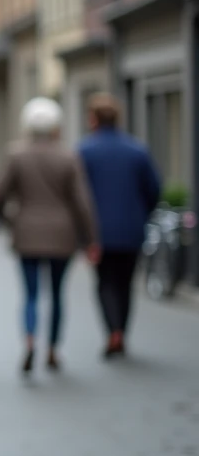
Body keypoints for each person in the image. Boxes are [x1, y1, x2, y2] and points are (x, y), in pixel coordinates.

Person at [0, 97, 98, 374]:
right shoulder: (68, 156)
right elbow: (82, 201)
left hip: (27, 232)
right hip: (62, 235)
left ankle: (29, 340)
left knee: (30, 294)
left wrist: (10, 221)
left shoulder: (16, 154)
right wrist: (91, 238)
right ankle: (52, 348)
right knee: (57, 293)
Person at [78, 93, 161, 358]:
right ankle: (121, 331)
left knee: (105, 283)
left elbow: (78, 195)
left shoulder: (84, 151)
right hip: (131, 229)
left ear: (93, 120)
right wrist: (141, 214)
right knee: (125, 282)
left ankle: (113, 330)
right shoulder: (137, 150)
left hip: (99, 232)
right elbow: (154, 188)